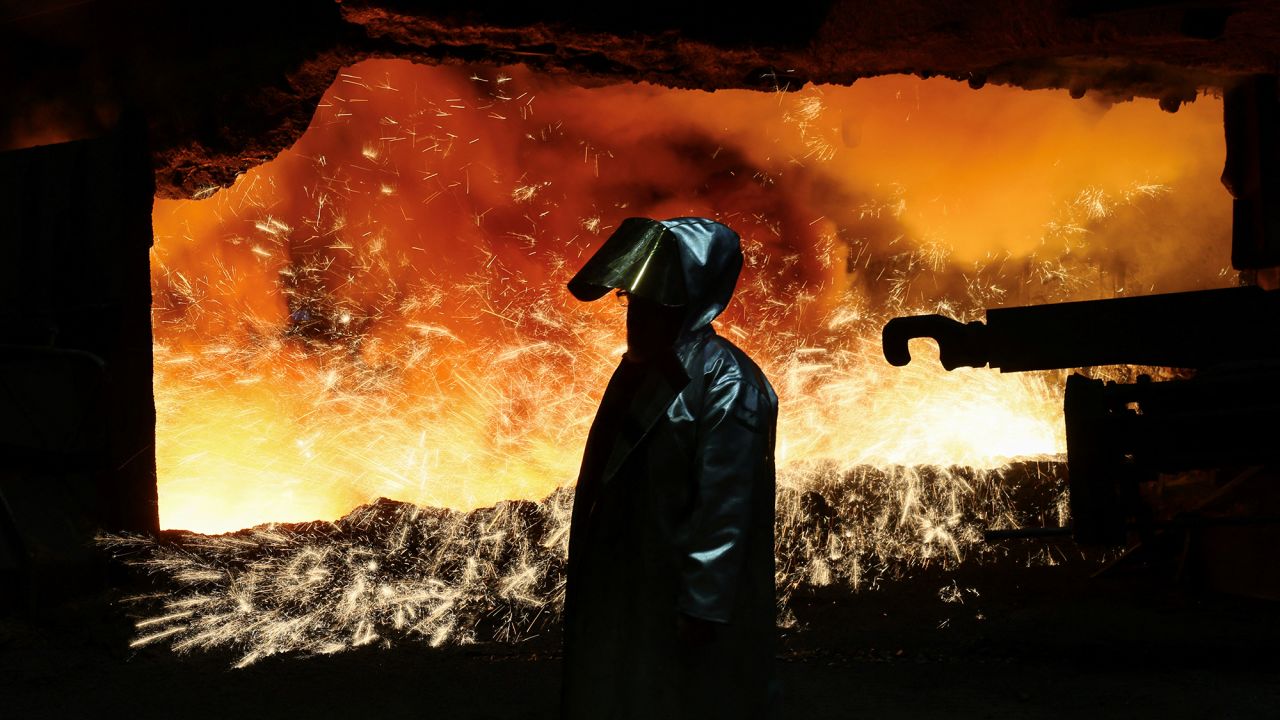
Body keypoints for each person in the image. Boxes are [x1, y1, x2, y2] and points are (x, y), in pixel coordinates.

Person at [561, 216, 780, 719]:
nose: (635, 312)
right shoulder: (645, 369)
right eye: (632, 298)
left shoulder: (729, 384)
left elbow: (727, 503)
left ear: (690, 301)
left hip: (677, 593)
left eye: (653, 300)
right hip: (635, 583)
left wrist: (703, 603)